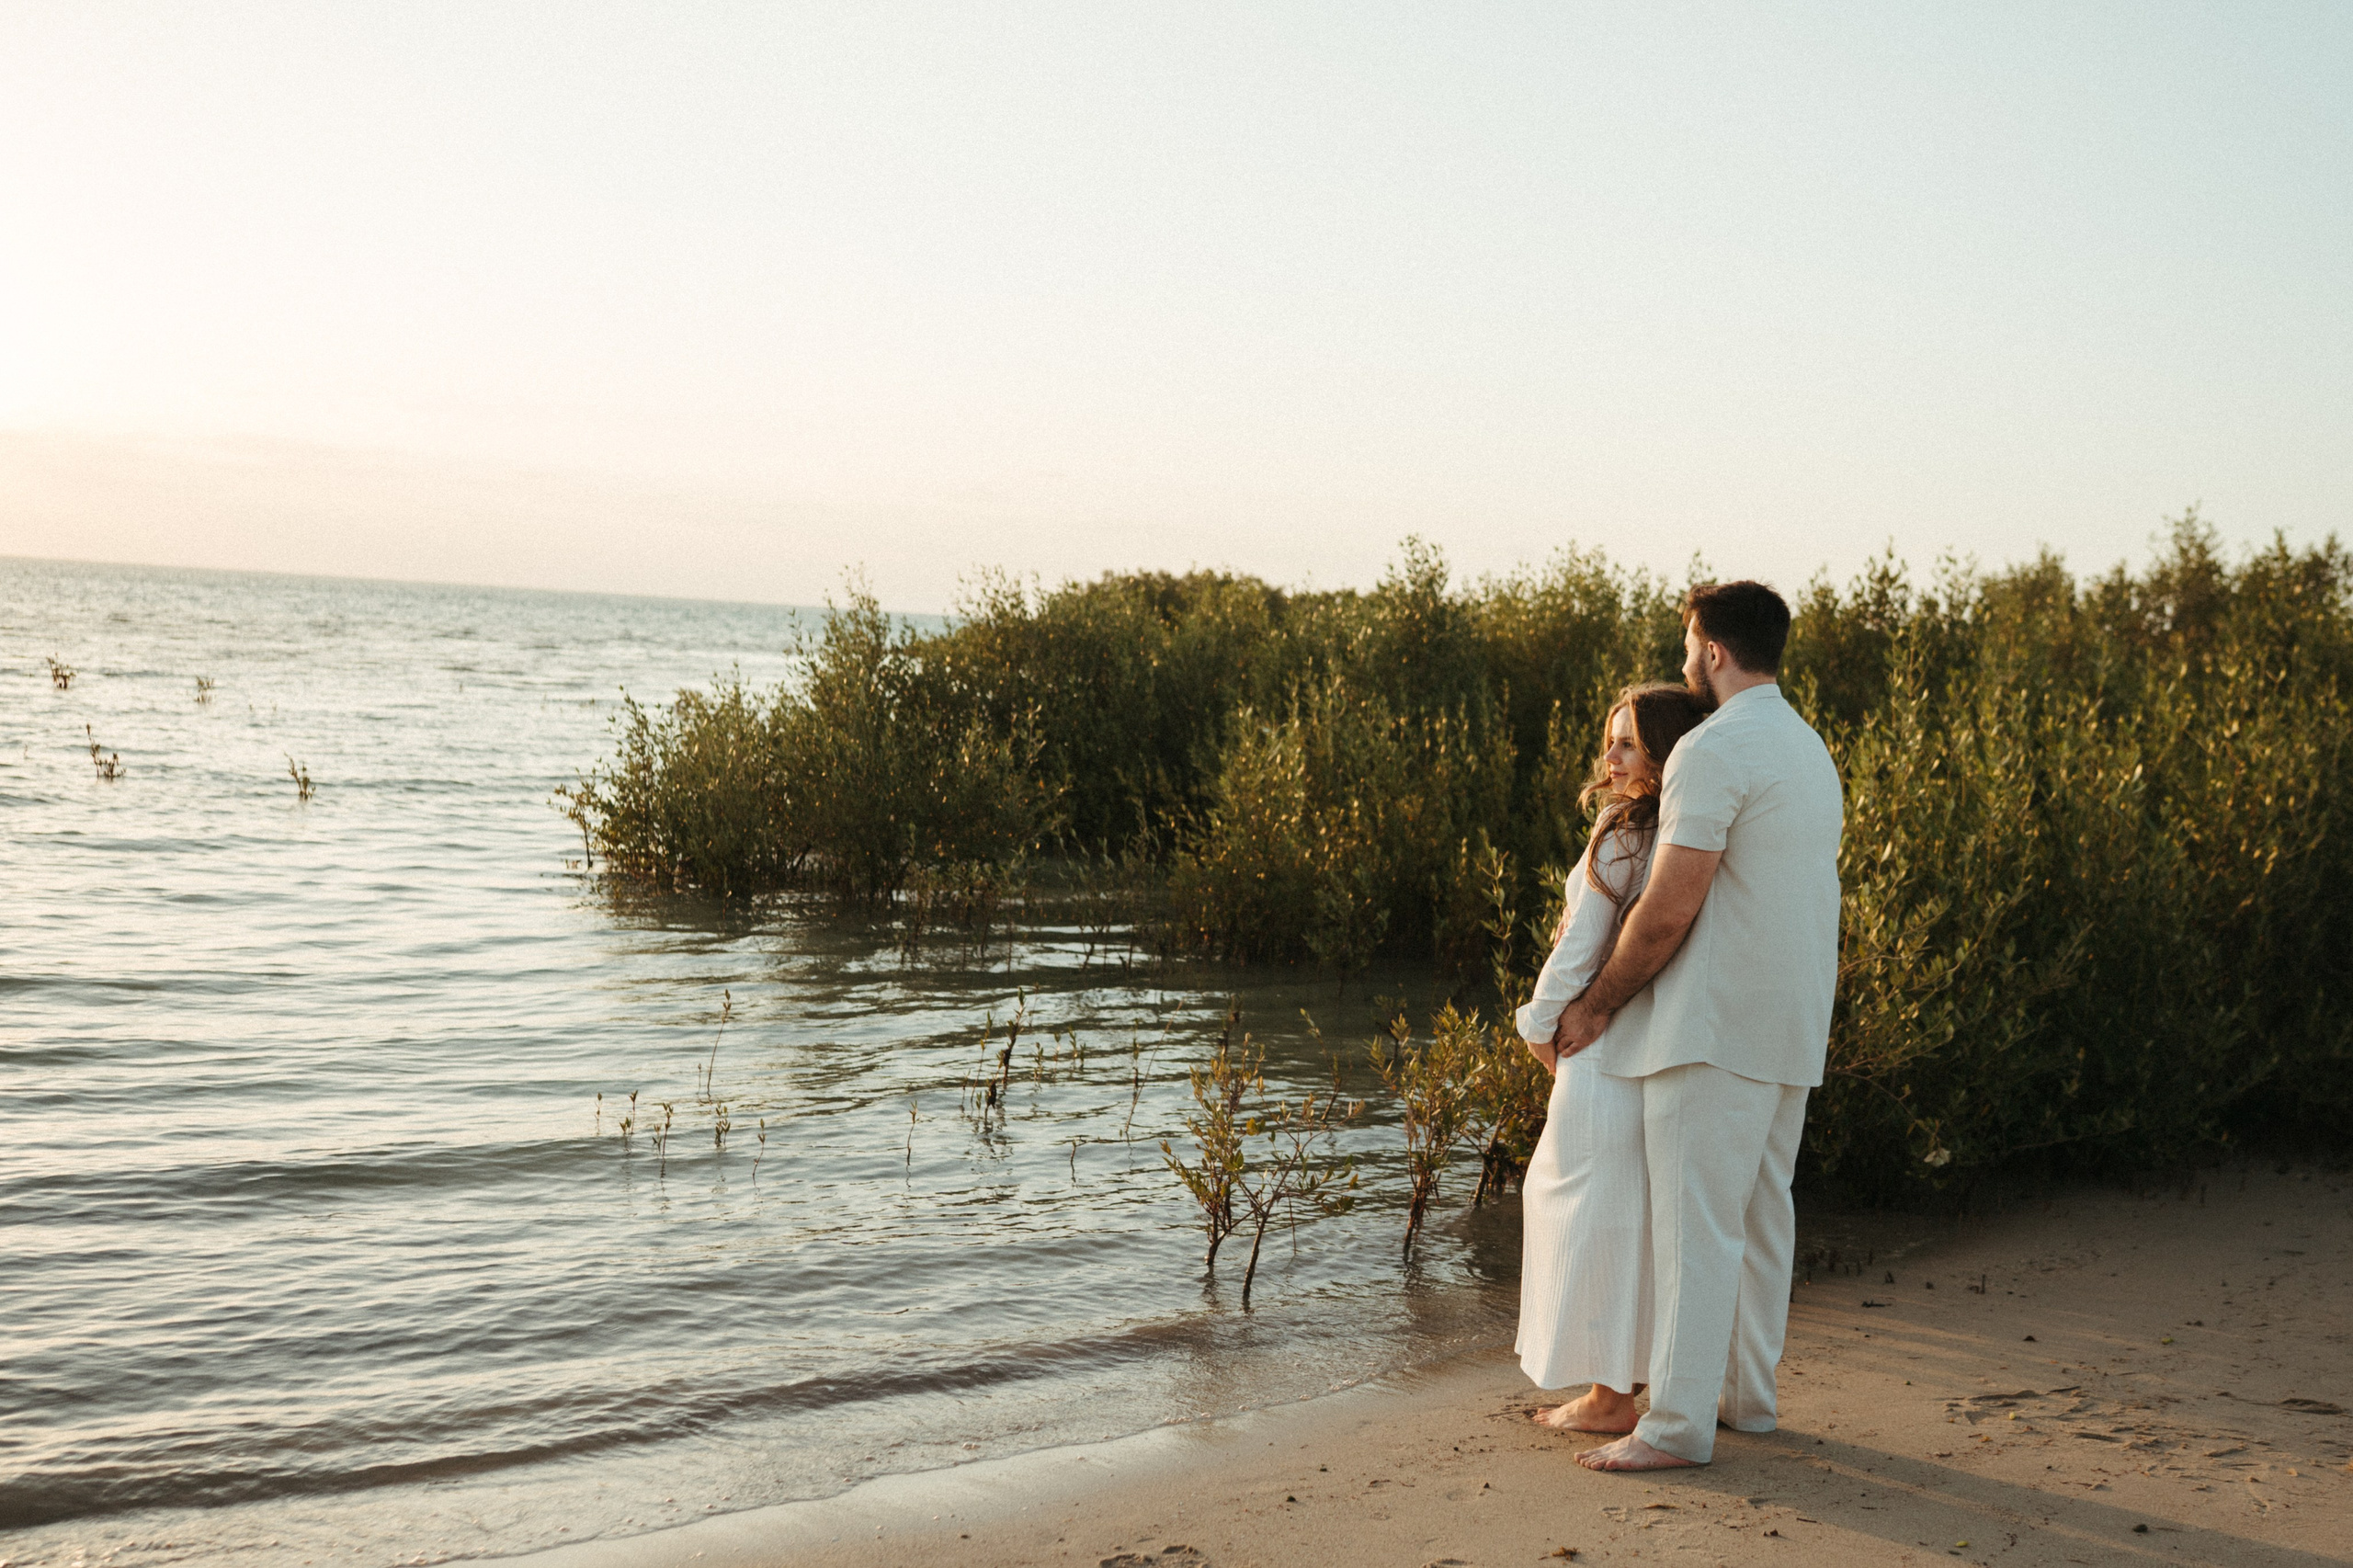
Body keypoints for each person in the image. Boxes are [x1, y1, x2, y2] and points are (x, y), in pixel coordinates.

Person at [1550, 580, 1845, 1472]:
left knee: (1695, 1227)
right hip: (1791, 1022)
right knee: (1759, 1219)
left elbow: (1672, 901)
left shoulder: (1714, 748)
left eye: (1688, 646)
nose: (1684, 662)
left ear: (1712, 649)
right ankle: (1745, 1400)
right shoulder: (1807, 747)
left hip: (1712, 1026)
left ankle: (1675, 1424)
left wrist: (1593, 1003)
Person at [1514, 683, 1710, 1435]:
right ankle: (1630, 1386)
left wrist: (1536, 1024)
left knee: (1585, 1212)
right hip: (1658, 1047)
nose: (1610, 755)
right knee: (1633, 1221)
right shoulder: (1694, 833)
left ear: (1661, 754)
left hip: (1597, 1045)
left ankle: (1607, 1399)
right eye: (1610, 738)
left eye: (1627, 741)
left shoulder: (1622, 831)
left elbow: (1579, 945)